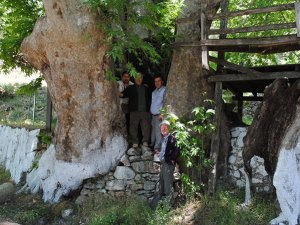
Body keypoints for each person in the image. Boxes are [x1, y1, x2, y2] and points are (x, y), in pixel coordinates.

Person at [150, 120, 180, 209]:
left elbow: (177, 150)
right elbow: (167, 151)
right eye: (162, 128)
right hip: (163, 164)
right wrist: (162, 154)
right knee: (161, 185)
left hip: (168, 165)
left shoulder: (171, 138)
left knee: (167, 186)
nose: (163, 129)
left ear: (168, 128)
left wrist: (171, 159)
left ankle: (168, 208)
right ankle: (154, 207)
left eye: (165, 127)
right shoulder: (165, 139)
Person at [120, 73, 152, 148]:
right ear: (134, 79)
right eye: (137, 78)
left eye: (140, 78)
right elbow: (122, 95)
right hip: (134, 111)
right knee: (133, 128)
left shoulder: (146, 88)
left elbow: (151, 98)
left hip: (145, 111)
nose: (138, 79)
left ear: (142, 79)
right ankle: (135, 142)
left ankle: (145, 142)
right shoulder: (131, 88)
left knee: (146, 127)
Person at [150, 76, 166, 152]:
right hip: (153, 115)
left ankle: (158, 148)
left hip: (159, 115)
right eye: (155, 81)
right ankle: (152, 145)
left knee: (158, 132)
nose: (157, 83)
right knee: (153, 131)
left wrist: (162, 114)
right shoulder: (154, 92)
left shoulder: (165, 90)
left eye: (158, 81)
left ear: (162, 81)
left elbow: (165, 102)